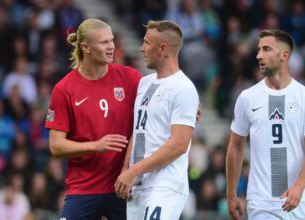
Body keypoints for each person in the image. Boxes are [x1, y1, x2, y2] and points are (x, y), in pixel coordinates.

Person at [45, 18, 142, 220]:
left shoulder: (131, 78)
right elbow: (56, 147)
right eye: (104, 42)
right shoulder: (64, 89)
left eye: (112, 40)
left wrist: (188, 104)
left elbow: (161, 100)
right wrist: (95, 146)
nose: (111, 47)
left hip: (122, 186)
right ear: (85, 47)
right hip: (84, 188)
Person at [225, 29, 305, 220]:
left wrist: (299, 186)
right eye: (258, 50)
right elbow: (236, 146)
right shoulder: (247, 98)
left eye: (266, 49)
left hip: (300, 201)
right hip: (262, 202)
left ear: (284, 55)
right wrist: (231, 194)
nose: (258, 55)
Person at [114, 20, 199, 220]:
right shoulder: (144, 84)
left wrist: (133, 171)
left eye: (146, 43)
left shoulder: (183, 88)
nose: (141, 48)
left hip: (165, 185)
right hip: (138, 186)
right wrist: (126, 170)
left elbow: (178, 145)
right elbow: (138, 129)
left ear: (163, 48)